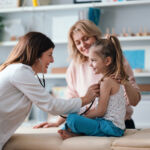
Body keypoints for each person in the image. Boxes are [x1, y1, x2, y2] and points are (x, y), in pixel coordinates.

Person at [0, 31, 99, 150]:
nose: (52, 60)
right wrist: (85, 99)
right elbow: (51, 105)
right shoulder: (20, 71)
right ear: (37, 55)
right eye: (50, 55)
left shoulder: (18, 71)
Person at [34, 19, 141, 129]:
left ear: (95, 36)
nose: (83, 45)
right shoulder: (74, 67)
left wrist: (126, 83)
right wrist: (57, 123)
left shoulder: (117, 60)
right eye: (78, 42)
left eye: (86, 38)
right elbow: (72, 102)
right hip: (90, 124)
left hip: (119, 124)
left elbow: (134, 101)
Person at [58, 35, 130, 139]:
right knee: (74, 115)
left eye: (93, 60)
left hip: (111, 127)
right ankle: (75, 132)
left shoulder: (107, 82)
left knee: (73, 119)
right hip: (109, 125)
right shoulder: (108, 80)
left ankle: (74, 132)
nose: (90, 65)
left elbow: (100, 111)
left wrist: (84, 116)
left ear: (107, 61)